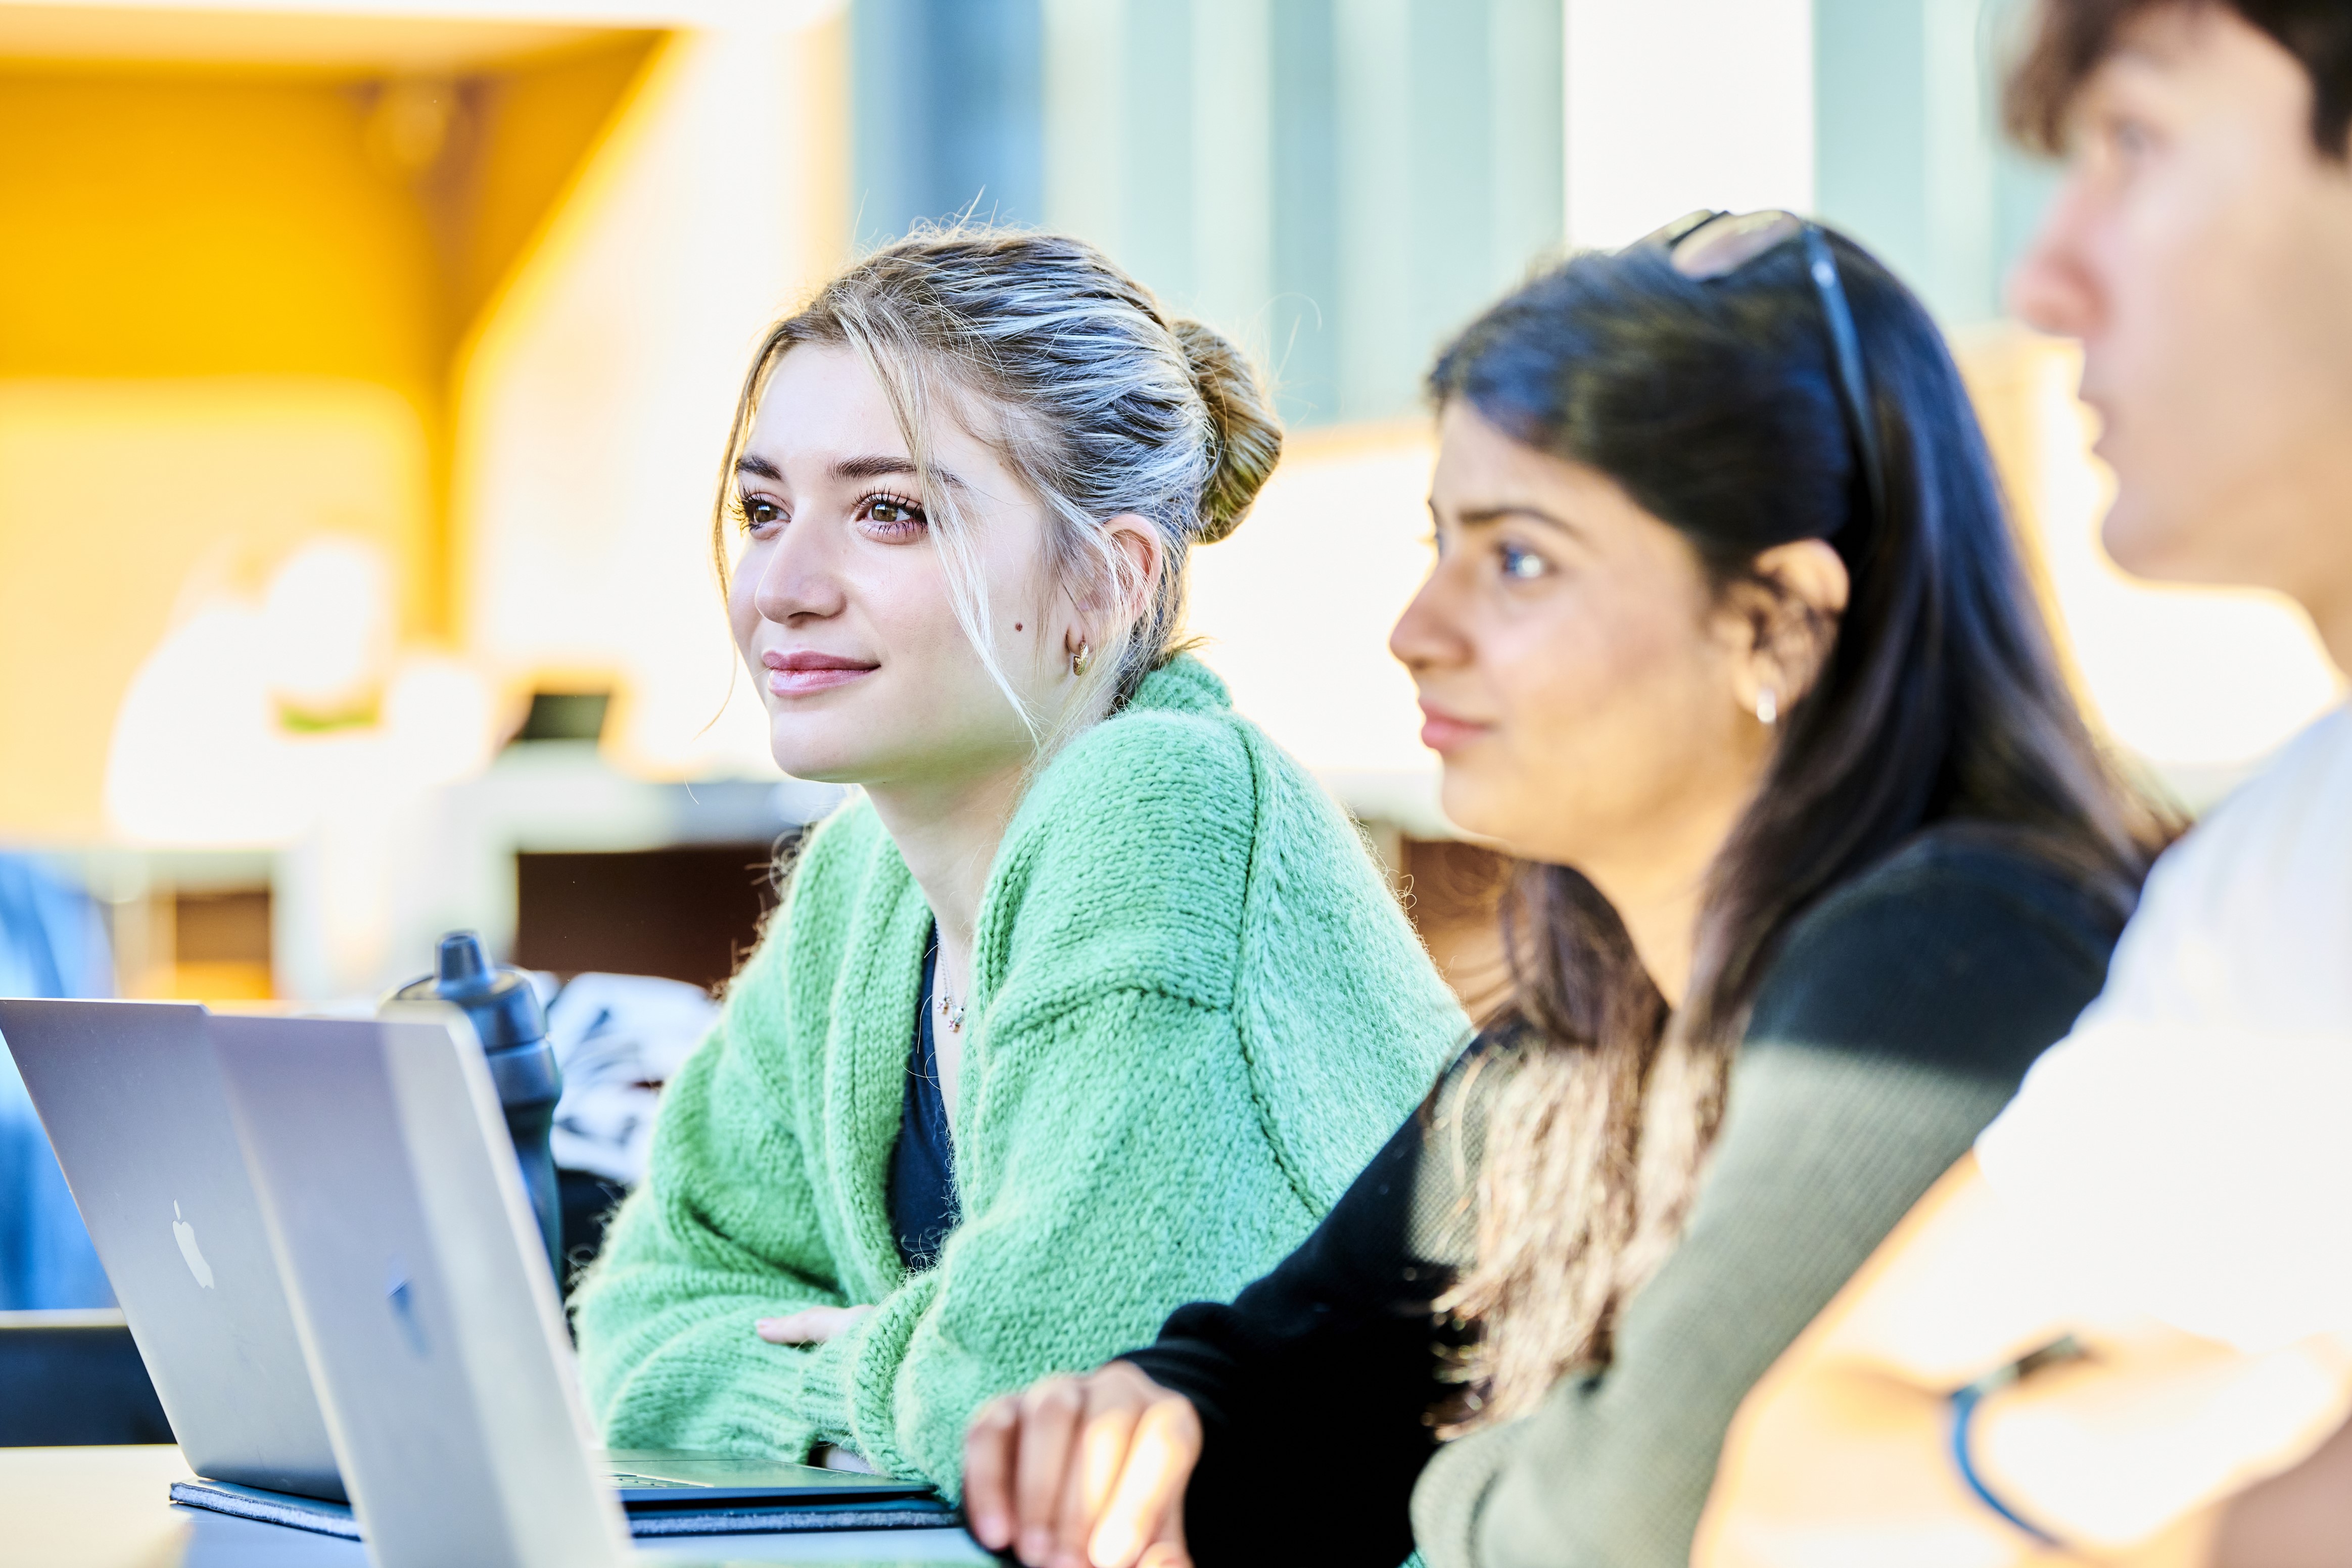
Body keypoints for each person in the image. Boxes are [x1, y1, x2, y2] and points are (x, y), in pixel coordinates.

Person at [960, 213, 2173, 1568]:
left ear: (1774, 618)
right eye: (1439, 544)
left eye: (1517, 559)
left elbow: (1635, 1520)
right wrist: (1131, 1421)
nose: (1415, 632)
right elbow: (1273, 1387)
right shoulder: (1590, 1036)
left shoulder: (1958, 952)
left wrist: (1448, 1474)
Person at [568, 228, 1470, 1490]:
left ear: (1106, 580)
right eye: (763, 509)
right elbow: (632, 1327)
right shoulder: (858, 882)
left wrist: (851, 1377)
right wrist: (896, 1374)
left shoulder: (1168, 810)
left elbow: (1042, 1411)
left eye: (888, 513)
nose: (782, 583)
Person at [1696, 4, 2352, 1563]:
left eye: (2134, 141)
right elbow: (1773, 1503)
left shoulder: (1951, 928)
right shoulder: (2277, 870)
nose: (2037, 282)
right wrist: (2238, 1424)